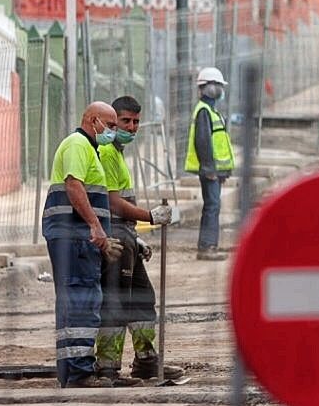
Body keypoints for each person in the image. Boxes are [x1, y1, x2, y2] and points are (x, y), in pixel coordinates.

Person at [96, 95, 183, 383]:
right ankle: (107, 366)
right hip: (115, 239)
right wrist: (150, 216)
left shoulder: (117, 153)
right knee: (116, 302)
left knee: (143, 298)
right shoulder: (107, 153)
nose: (132, 127)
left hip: (126, 237)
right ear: (112, 121)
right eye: (125, 121)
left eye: (135, 122)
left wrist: (136, 236)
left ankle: (147, 361)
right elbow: (112, 203)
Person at [43, 101, 119, 388]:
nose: (112, 131)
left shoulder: (90, 149)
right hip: (75, 237)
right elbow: (74, 184)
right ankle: (79, 372)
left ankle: (71, 371)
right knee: (82, 301)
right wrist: (95, 226)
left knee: (74, 302)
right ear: (93, 120)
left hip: (75, 237)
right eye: (110, 126)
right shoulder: (78, 144)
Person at [185, 66, 234, 261]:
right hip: (210, 171)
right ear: (211, 88)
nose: (221, 90)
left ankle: (208, 246)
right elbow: (203, 142)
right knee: (212, 207)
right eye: (219, 86)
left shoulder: (211, 111)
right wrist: (209, 169)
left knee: (213, 206)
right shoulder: (204, 111)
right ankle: (207, 247)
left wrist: (222, 171)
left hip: (215, 171)